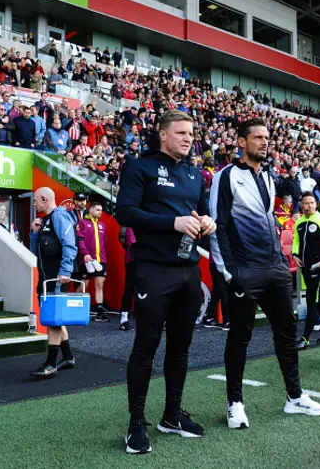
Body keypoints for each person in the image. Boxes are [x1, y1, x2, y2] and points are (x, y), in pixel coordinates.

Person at [210, 117, 320, 432]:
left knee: (287, 332)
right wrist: (229, 272)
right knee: (240, 337)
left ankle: (294, 396)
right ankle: (234, 403)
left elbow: (266, 220)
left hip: (274, 268)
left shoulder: (269, 177)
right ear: (241, 142)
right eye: (258, 137)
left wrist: (280, 256)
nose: (264, 142)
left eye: (267, 137)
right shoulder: (226, 177)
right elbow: (218, 225)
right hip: (244, 271)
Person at [116, 110, 216, 454]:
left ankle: (171, 415)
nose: (189, 139)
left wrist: (208, 221)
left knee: (181, 346)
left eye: (191, 133)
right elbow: (125, 213)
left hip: (189, 271)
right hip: (153, 269)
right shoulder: (138, 166)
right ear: (162, 134)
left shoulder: (193, 173)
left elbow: (203, 211)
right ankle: (136, 423)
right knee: (146, 346)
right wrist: (171, 223)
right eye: (181, 133)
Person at [29, 187, 78, 378]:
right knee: (55, 317)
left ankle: (50, 364)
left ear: (44, 199)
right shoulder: (45, 221)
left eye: (35, 201)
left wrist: (65, 271)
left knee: (53, 321)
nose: (34, 204)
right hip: (45, 277)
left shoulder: (59, 217)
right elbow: (36, 252)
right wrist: (34, 233)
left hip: (57, 277)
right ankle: (68, 357)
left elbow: (70, 245)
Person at [292, 192, 320, 348]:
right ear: (302, 205)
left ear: (316, 204)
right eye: (306, 203)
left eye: (312, 202)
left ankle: (304, 339)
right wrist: (294, 254)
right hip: (305, 267)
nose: (309, 206)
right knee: (319, 300)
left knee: (311, 300)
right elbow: (296, 241)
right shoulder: (299, 222)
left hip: (319, 268)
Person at [76, 201, 109, 322]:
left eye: (101, 210)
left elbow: (104, 243)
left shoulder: (102, 225)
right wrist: (85, 254)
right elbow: (80, 240)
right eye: (98, 210)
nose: (100, 212)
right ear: (91, 210)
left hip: (101, 260)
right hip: (87, 260)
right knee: (84, 285)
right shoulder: (82, 223)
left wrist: (104, 257)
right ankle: (75, 307)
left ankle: (100, 312)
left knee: (99, 285)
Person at [202, 251, 230, 330]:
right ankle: (227, 321)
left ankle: (209, 318)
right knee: (224, 292)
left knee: (217, 291)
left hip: (215, 262)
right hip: (220, 262)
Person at [119, 226, 136, 331]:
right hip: (133, 262)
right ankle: (123, 319)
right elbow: (132, 244)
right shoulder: (130, 227)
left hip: (146, 263)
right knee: (129, 290)